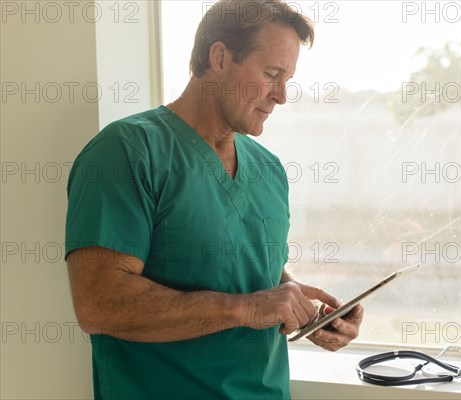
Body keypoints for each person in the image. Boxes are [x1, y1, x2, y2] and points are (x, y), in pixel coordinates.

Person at [65, 0, 364, 398]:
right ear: (220, 57)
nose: (281, 96)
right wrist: (250, 308)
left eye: (287, 79)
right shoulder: (126, 153)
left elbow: (247, 267)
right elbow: (98, 304)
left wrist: (297, 304)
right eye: (272, 74)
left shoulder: (268, 169)